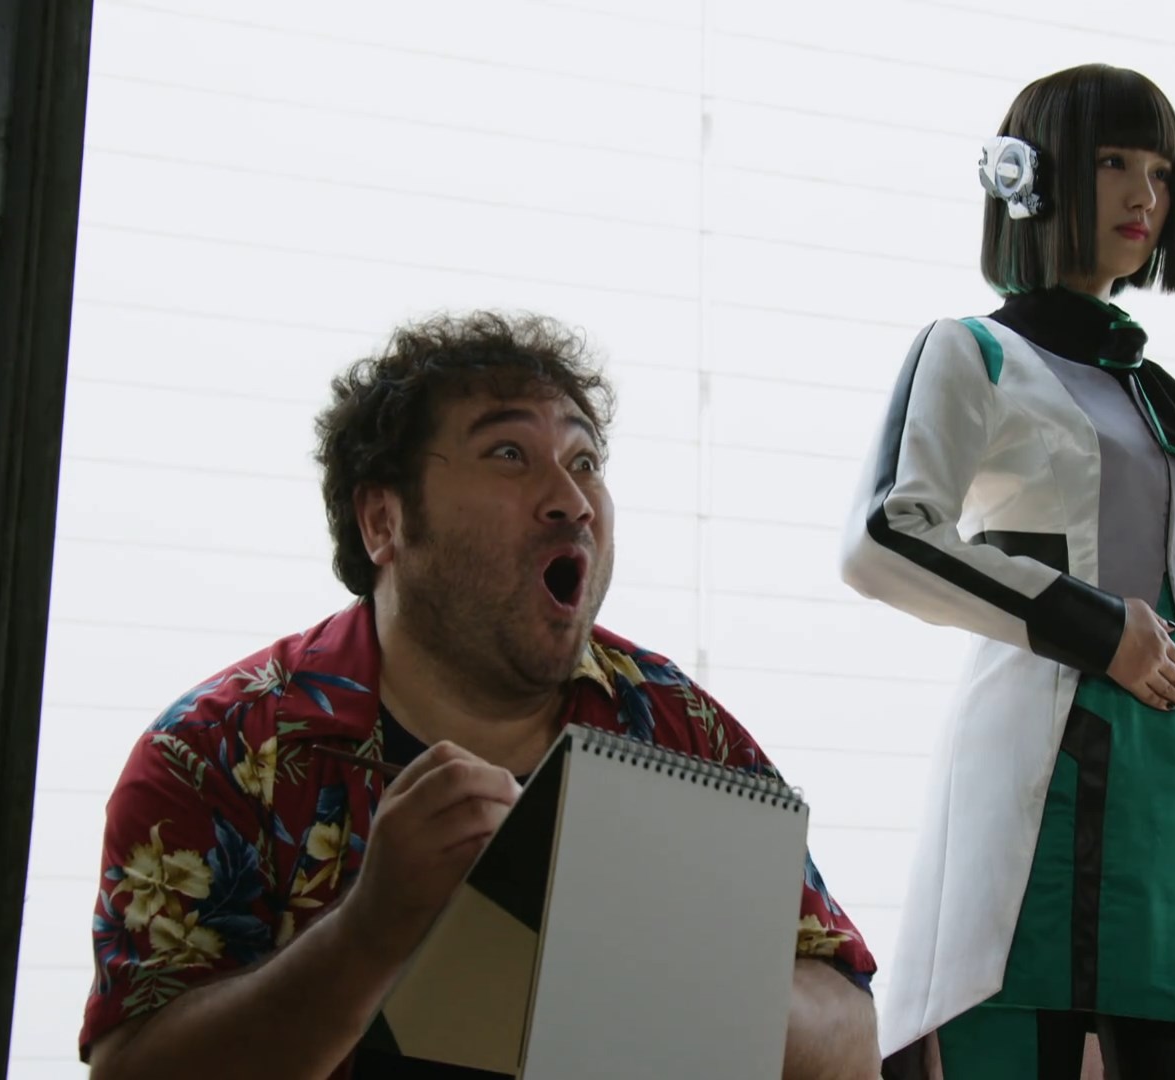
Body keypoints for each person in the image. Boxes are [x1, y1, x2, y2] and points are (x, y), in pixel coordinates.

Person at [81, 311, 881, 1079]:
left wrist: (672, 973)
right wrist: (368, 932)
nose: (571, 499)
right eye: (508, 453)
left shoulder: (680, 729)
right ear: (383, 521)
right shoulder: (215, 751)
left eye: (585, 461)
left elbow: (851, 1038)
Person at [840, 65, 1175, 1079]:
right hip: (1046, 793)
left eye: (1161, 172)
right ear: (1035, 176)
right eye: (1114, 163)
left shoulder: (1171, 406)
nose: (1146, 195)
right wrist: (1100, 629)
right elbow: (882, 537)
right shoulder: (976, 352)